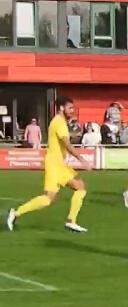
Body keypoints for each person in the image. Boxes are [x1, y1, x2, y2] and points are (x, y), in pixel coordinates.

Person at [7, 97, 93, 233]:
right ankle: (16, 212)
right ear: (61, 108)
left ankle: (71, 221)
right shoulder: (59, 123)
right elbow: (68, 145)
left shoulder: (60, 122)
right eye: (70, 108)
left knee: (80, 187)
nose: (72, 111)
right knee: (49, 199)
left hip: (59, 164)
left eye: (73, 108)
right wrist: (82, 160)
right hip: (54, 165)